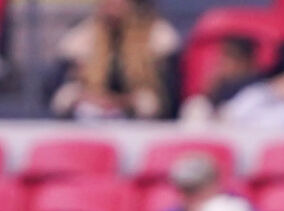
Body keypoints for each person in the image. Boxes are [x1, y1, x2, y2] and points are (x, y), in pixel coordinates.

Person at [47, 0, 180, 120]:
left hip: (142, 121)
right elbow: (58, 94)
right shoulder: (82, 37)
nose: (113, 4)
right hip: (89, 115)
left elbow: (167, 100)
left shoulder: (158, 37)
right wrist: (89, 98)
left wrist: (125, 102)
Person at [180, 36, 264, 122]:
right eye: (224, 57)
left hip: (244, 128)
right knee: (196, 104)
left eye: (231, 58)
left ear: (245, 61)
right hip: (216, 127)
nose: (223, 63)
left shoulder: (258, 88)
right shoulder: (221, 84)